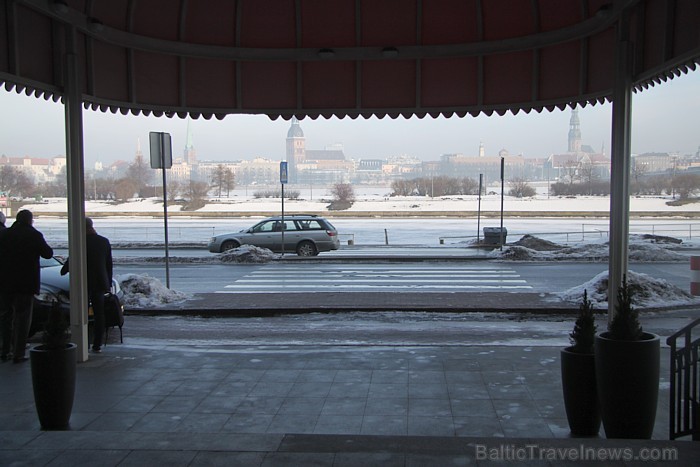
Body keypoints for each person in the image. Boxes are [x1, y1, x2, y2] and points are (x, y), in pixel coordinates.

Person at [0, 210, 53, 363]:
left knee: (5, 316)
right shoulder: (34, 235)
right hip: (26, 284)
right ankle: (18, 352)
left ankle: (4, 350)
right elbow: (48, 254)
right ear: (30, 221)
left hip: (4, 283)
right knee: (23, 318)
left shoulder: (4, 234)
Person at [60, 217, 113, 353]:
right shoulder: (103, 241)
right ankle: (97, 344)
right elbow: (108, 264)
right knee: (99, 314)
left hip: (82, 282)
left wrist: (64, 269)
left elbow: (71, 261)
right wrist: (108, 282)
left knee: (80, 312)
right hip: (99, 283)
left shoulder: (79, 242)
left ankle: (81, 342)